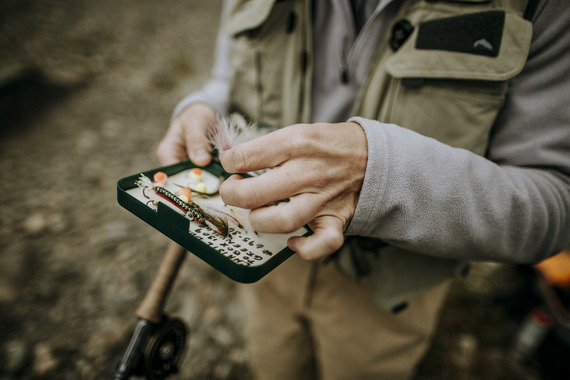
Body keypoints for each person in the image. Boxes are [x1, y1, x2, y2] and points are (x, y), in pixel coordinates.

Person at [156, 0, 570, 378]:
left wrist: (379, 175)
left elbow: (556, 201)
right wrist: (201, 107)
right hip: (264, 265)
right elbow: (227, 77)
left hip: (387, 296)